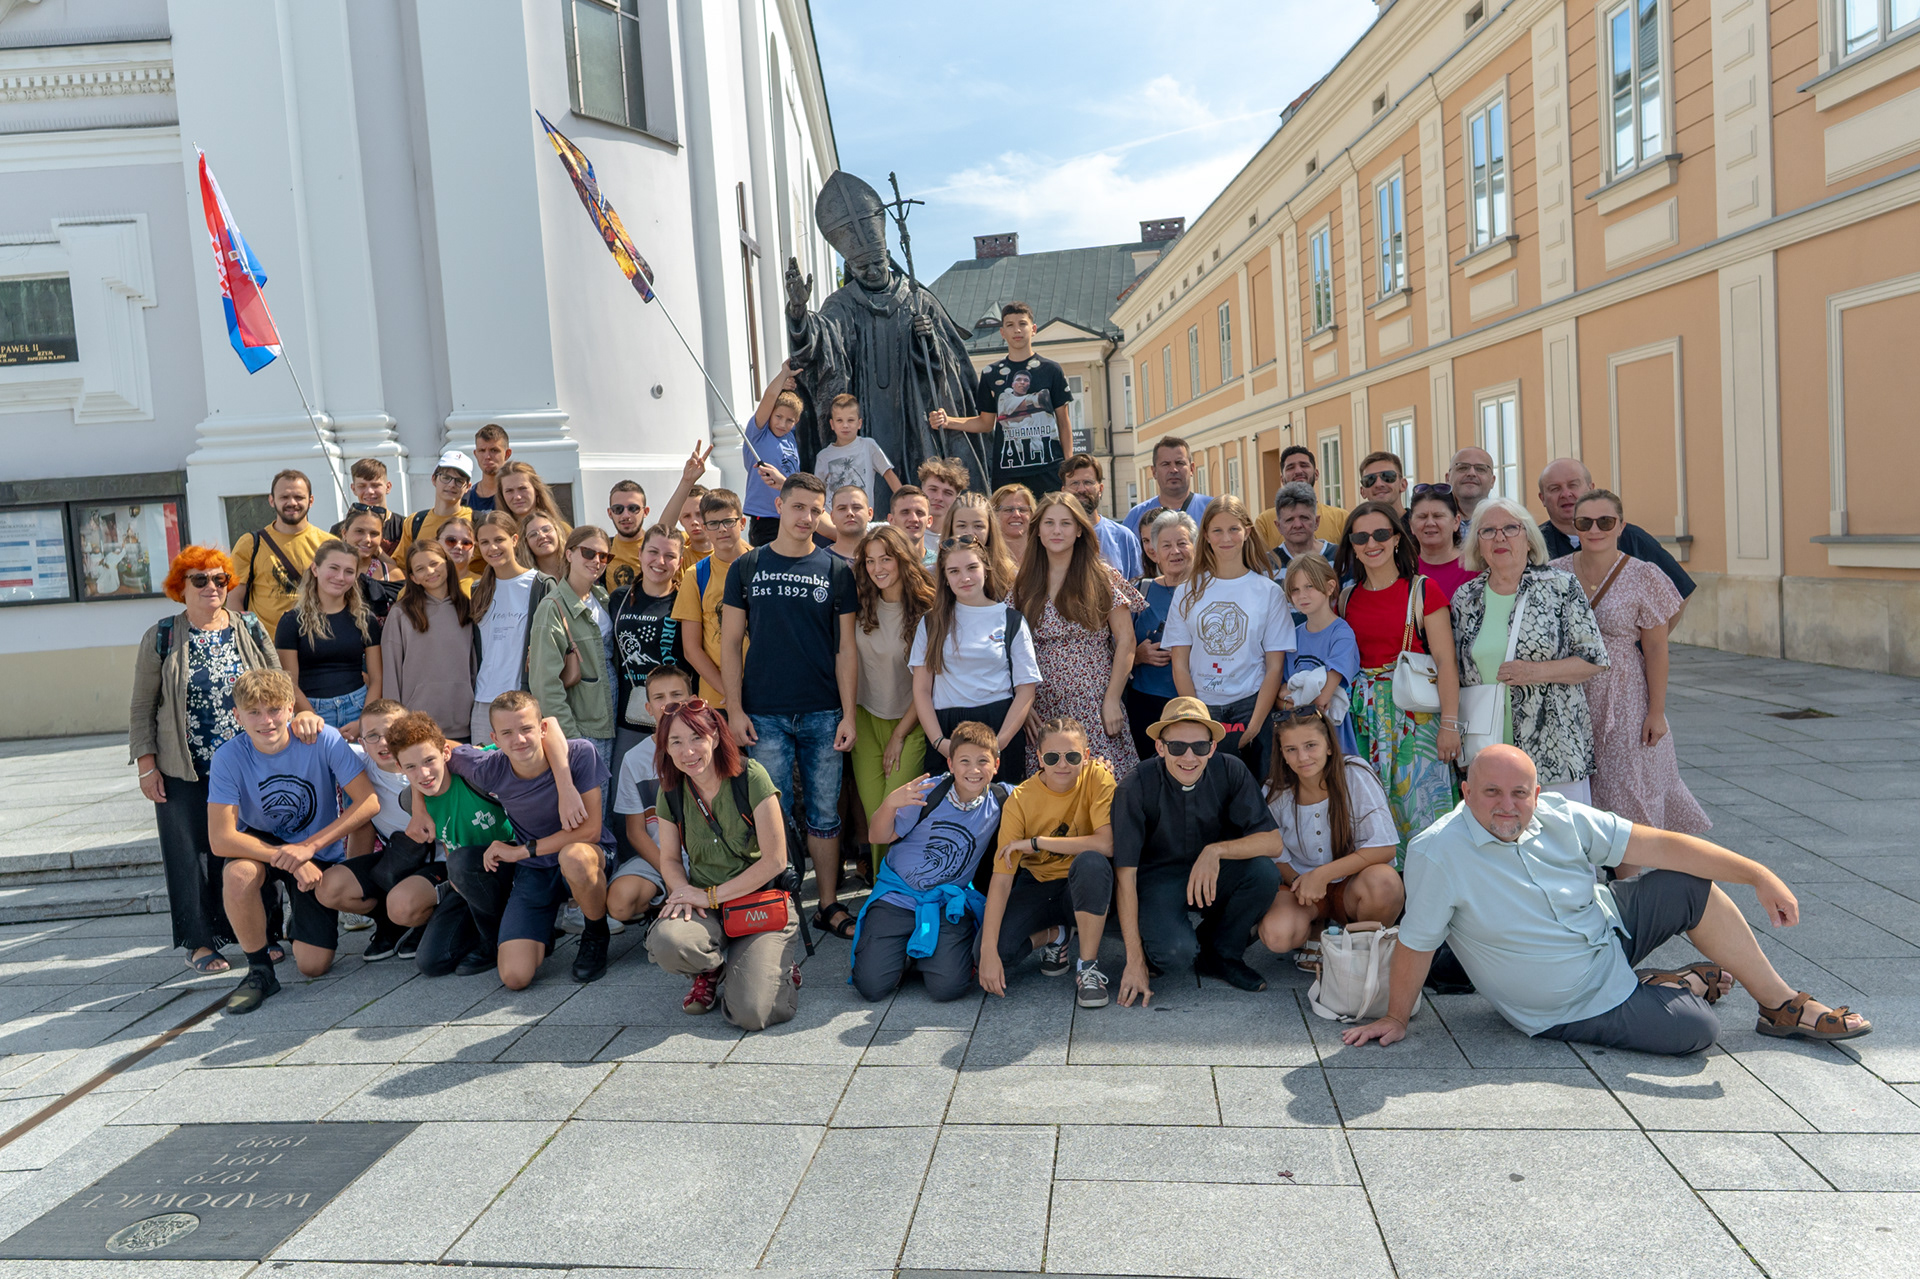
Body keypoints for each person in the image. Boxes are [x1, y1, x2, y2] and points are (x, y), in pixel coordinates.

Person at [1343, 745, 1872, 1055]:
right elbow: (1417, 942)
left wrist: (1758, 874)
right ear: (1466, 792)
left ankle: (1780, 1005)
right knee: (1697, 1031)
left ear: (1535, 793)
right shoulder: (1438, 852)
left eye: (1519, 793)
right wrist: (1398, 1017)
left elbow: (1661, 845)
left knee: (1686, 885)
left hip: (1603, 928)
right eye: (1491, 792)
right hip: (1568, 1001)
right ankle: (1672, 985)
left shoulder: (1558, 814)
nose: (1507, 806)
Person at [131, 546, 305, 975]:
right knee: (191, 853)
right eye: (200, 579)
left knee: (254, 844)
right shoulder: (162, 636)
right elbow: (142, 706)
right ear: (181, 586)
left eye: (220, 579)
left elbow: (279, 685)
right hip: (185, 766)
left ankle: (262, 933)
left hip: (249, 763)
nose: (212, 586)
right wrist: (147, 766)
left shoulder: (249, 627)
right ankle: (200, 941)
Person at [720, 472, 860, 941]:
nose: (807, 517)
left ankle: (827, 905)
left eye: (815, 510)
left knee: (824, 814)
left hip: (823, 711)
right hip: (763, 713)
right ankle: (779, 904)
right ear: (779, 506)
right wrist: (734, 711)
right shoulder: (747, 566)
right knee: (771, 814)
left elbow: (846, 649)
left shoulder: (836, 570)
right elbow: (730, 643)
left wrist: (848, 714)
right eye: (798, 506)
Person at [209, 669, 380, 1012]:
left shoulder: (322, 738)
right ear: (237, 716)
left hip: (314, 843)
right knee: (237, 875)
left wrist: (308, 849)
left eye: (274, 709)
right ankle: (259, 970)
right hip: (263, 844)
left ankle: (297, 920)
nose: (266, 721)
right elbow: (221, 838)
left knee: (313, 966)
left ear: (291, 708)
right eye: (254, 712)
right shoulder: (228, 756)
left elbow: (368, 801)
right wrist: (290, 857)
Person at [1552, 489, 1709, 836]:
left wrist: (1656, 712)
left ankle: (1631, 866)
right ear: (1575, 527)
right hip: (1569, 693)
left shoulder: (1644, 576)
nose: (1595, 529)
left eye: (1605, 521)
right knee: (1577, 790)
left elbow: (1656, 648)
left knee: (1629, 788)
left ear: (1621, 526)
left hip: (1624, 694)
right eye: (1585, 522)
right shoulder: (1554, 573)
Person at [1113, 698, 1283, 1001]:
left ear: (1213, 747)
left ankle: (1222, 954)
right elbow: (1125, 876)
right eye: (1178, 747)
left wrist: (1214, 851)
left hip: (1213, 871)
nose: (1189, 757)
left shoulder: (1231, 769)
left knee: (1264, 874)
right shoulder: (1134, 785)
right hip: (1158, 879)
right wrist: (1134, 960)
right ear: (1160, 747)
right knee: (1175, 954)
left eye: (1200, 747)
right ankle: (1159, 946)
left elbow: (1272, 842)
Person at [645, 699, 802, 1027]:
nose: (688, 751)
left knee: (751, 1013)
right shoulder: (671, 789)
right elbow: (670, 859)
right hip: (706, 906)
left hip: (758, 902)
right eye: (676, 742)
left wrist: (710, 896)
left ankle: (776, 964)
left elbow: (776, 860)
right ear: (665, 748)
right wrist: (682, 892)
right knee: (666, 941)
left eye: (696, 737)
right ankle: (711, 968)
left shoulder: (750, 776)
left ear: (715, 736)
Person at [390, 708, 578, 978]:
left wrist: (567, 787)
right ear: (399, 768)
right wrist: (419, 806)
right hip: (470, 883)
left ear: (445, 753)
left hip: (515, 867)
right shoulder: (411, 801)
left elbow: (549, 725)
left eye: (429, 760)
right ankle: (496, 932)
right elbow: (447, 832)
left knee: (461, 863)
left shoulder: (477, 770)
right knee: (431, 962)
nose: (424, 773)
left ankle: (500, 939)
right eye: (411, 767)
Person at [444, 690, 613, 987]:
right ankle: (541, 929)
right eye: (507, 733)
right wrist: (418, 808)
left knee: (573, 856)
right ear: (494, 738)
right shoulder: (490, 768)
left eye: (526, 729)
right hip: (536, 869)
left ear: (543, 728)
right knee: (514, 977)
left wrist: (523, 850)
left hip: (586, 855)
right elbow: (433, 751)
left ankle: (596, 933)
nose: (519, 739)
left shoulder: (579, 754)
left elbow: (590, 831)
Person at [1452, 496, 1608, 802]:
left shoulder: (1560, 587)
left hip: (1554, 748)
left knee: (1559, 829)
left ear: (1528, 538)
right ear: (1478, 544)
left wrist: (1533, 672)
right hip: (1487, 746)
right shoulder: (1466, 598)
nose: (1499, 538)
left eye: (1510, 528)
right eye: (1488, 531)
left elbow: (1594, 660)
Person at [1335, 501, 1462, 852]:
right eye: (1361, 537)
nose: (1371, 543)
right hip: (1363, 723)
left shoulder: (1422, 590)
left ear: (1396, 539)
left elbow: (1446, 662)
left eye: (1380, 533)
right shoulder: (1345, 599)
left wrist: (1450, 725)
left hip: (1415, 720)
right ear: (1352, 545)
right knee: (1371, 816)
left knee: (1424, 816)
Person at [850, 723, 1009, 1001]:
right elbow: (877, 837)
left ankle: (922, 953)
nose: (974, 770)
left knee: (949, 988)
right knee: (872, 987)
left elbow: (1046, 789)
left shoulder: (1000, 798)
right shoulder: (927, 793)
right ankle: (905, 950)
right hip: (897, 898)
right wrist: (890, 804)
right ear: (950, 763)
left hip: (945, 903)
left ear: (996, 765)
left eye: (983, 761)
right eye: (964, 761)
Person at [979, 717, 1116, 1008]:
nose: (1062, 765)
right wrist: (988, 951)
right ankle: (1056, 935)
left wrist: (1037, 843)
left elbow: (1106, 844)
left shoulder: (1098, 777)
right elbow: (1002, 878)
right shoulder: (1021, 799)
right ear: (1040, 758)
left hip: (1083, 885)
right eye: (1053, 757)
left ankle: (1088, 967)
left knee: (1092, 862)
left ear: (1086, 755)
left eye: (1072, 756)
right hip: (1038, 883)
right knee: (989, 953)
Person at [1254, 707, 1403, 959]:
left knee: (1385, 883)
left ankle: (1359, 946)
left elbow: (1384, 846)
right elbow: (1274, 853)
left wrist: (1322, 875)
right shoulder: (1274, 791)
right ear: (1282, 754)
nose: (1302, 757)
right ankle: (1315, 926)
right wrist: (1301, 884)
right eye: (1291, 749)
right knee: (1277, 935)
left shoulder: (1354, 774)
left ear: (1330, 746)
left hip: (1351, 884)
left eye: (1311, 745)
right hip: (1301, 888)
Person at [1163, 495, 1292, 781]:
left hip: (1252, 706)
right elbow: (1179, 663)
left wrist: (1255, 726)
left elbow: (1274, 666)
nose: (1226, 538)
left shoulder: (1269, 592)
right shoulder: (1187, 591)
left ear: (1247, 531)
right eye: (1217, 530)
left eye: (1233, 529)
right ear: (1206, 535)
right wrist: (1197, 719)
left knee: (1258, 792)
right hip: (1202, 708)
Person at [1014, 493, 1141, 779]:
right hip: (1042, 708)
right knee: (1050, 789)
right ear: (1037, 530)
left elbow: (1126, 641)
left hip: (1094, 704)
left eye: (1066, 523)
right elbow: (1011, 650)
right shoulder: (1024, 583)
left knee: (1101, 785)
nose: (1056, 531)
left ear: (1080, 530)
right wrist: (1023, 705)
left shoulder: (1101, 577)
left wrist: (1112, 699)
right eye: (1049, 523)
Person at [911, 536, 1040, 787]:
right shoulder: (931, 622)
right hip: (947, 728)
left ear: (986, 568)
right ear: (945, 578)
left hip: (999, 726)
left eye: (972, 568)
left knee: (1001, 807)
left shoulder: (1011, 620)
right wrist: (939, 742)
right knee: (946, 808)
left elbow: (1026, 689)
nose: (965, 577)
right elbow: (922, 690)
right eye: (954, 571)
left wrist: (998, 744)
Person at [851, 524, 934, 875]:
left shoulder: (928, 607)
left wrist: (900, 735)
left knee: (899, 812)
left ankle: (905, 887)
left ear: (902, 559)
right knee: (876, 814)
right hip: (866, 719)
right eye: (870, 561)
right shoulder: (859, 603)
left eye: (885, 559)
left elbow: (929, 682)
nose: (877, 568)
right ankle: (882, 890)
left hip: (912, 722)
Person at [929, 301, 1075, 497]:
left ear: (1033, 329)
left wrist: (1069, 466)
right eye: (1010, 325)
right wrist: (948, 421)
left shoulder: (1051, 370)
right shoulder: (991, 374)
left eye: (1022, 324)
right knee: (1008, 515)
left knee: (1051, 515)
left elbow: (1063, 422)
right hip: (1008, 470)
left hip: (1049, 466)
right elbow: (985, 423)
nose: (1017, 330)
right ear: (1002, 332)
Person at [338, 698, 441, 960]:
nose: (384, 742)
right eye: (373, 736)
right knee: (332, 887)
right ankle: (391, 924)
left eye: (393, 732)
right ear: (362, 743)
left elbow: (461, 749)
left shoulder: (430, 761)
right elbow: (317, 743)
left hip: (442, 859)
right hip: (399, 859)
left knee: (403, 905)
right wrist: (306, 719)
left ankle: (424, 919)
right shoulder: (360, 761)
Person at [1536, 458, 1694, 614]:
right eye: (1555, 488)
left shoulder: (1632, 538)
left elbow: (1680, 590)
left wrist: (1655, 630)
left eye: (1573, 485)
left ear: (1591, 488)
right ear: (1542, 498)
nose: (1565, 494)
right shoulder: (1532, 543)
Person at [609, 665, 695, 928]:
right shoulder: (635, 759)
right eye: (659, 697)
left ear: (692, 700)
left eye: (676, 695)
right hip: (661, 857)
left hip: (710, 854)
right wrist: (672, 875)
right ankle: (663, 904)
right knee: (619, 903)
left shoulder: (706, 746)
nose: (669, 704)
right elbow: (635, 832)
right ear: (648, 708)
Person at [528, 526, 616, 775]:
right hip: (583, 728)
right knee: (591, 798)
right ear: (569, 554)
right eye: (588, 552)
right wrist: (571, 737)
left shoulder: (603, 598)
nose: (596, 561)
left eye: (604, 556)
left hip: (610, 721)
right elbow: (545, 685)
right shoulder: (552, 608)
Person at [275, 539, 382, 738]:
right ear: (315, 569)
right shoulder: (291, 622)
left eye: (349, 571)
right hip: (311, 714)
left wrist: (364, 721)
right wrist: (313, 719)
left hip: (358, 709)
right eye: (333, 568)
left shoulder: (366, 620)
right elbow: (289, 683)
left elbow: (376, 678)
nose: (340, 577)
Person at [379, 541, 475, 742]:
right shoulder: (401, 613)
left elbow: (474, 664)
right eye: (420, 569)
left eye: (434, 563)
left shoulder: (467, 609)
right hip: (417, 726)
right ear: (413, 577)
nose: (430, 571)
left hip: (463, 723)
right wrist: (394, 720)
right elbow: (391, 671)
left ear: (447, 564)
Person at [468, 511, 549, 745]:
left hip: (524, 701)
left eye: (499, 539)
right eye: (485, 542)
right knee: (484, 766)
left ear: (514, 540)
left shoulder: (539, 584)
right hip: (484, 701)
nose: (492, 547)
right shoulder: (477, 589)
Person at [608, 523, 686, 762]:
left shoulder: (685, 600)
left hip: (677, 718)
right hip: (629, 717)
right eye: (653, 552)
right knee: (626, 783)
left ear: (680, 562)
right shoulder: (619, 598)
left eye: (670, 556)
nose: (660, 561)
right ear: (640, 554)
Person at [1123, 509, 1194, 760]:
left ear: (1195, 546)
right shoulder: (1139, 591)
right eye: (1166, 545)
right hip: (1147, 703)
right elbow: (1112, 649)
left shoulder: (1210, 591)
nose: (1175, 551)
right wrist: (1137, 656)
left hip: (1195, 701)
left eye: (1182, 543)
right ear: (1154, 551)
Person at [1280, 554, 1361, 757]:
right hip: (1299, 739)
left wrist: (1297, 698)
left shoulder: (1342, 633)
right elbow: (1280, 693)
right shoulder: (1293, 637)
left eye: (1309, 586)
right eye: (1295, 590)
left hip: (1334, 736)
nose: (1302, 595)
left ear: (1330, 587)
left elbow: (1323, 697)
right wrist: (1297, 697)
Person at [231, 469, 329, 634]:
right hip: (266, 643)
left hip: (316, 639)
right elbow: (234, 598)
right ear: (271, 500)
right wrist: (247, 638)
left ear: (311, 500)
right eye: (284, 497)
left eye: (299, 497)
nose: (292, 502)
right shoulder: (250, 544)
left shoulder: (328, 545)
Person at [674, 488, 746, 705]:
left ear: (742, 523)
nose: (722, 529)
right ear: (705, 528)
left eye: (729, 521)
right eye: (713, 523)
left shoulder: (764, 566)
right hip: (718, 698)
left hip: (765, 692)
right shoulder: (696, 575)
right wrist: (731, 693)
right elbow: (691, 649)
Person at [603, 445, 708, 591]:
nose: (626, 515)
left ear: (645, 511)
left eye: (633, 508)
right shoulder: (602, 550)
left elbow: (665, 529)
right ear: (610, 513)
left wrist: (687, 481)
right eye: (618, 509)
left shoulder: (669, 540)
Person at [744, 364, 804, 546]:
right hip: (765, 518)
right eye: (778, 417)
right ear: (770, 414)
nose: (782, 424)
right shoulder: (758, 434)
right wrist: (784, 373)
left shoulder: (790, 438)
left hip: (789, 515)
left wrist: (786, 388)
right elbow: (769, 398)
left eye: (789, 420)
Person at [1062, 453, 1144, 579]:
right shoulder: (1054, 537)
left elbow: (1136, 588)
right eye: (1074, 483)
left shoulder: (1124, 538)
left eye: (1088, 482)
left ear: (1100, 489)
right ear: (1063, 491)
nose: (1082, 489)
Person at [815, 393, 902, 504]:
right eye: (839, 420)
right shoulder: (823, 456)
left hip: (862, 511)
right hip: (833, 513)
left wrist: (904, 502)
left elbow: (889, 475)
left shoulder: (868, 446)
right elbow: (817, 492)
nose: (845, 425)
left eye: (850, 420)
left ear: (859, 423)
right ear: (832, 424)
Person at [1255, 445, 1349, 547]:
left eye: (1304, 465)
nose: (1298, 471)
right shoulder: (1265, 521)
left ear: (1316, 474)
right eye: (1290, 467)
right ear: (1282, 479)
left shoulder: (1341, 518)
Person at [394, 452, 475, 565]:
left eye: (459, 481)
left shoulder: (476, 521)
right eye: (446, 477)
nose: (452, 484)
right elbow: (400, 565)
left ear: (468, 487)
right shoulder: (415, 522)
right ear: (434, 479)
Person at [1121, 436, 1211, 538]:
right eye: (1166, 464)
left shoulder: (1212, 510)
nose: (1173, 470)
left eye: (1179, 463)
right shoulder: (1136, 517)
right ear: (1154, 472)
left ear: (1191, 468)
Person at [940, 490, 1018, 585]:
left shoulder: (1011, 577)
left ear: (990, 529)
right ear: (951, 528)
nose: (970, 533)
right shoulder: (933, 575)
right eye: (962, 526)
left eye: (978, 526)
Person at [1409, 483, 1474, 595]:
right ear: (1411, 525)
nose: (1430, 523)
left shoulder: (1475, 569)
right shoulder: (1402, 570)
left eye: (1438, 516)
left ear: (1456, 522)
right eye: (1422, 517)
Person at [340, 507, 404, 620]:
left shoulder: (392, 574)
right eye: (359, 531)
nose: (367, 539)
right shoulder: (330, 573)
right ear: (344, 533)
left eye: (374, 533)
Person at [1263, 482, 1336, 577]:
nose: (1297, 525)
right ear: (1278, 526)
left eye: (1304, 518)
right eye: (1289, 520)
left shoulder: (1339, 557)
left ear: (1317, 522)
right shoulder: (1267, 564)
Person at [330, 458, 403, 551]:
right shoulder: (339, 530)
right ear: (353, 489)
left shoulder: (405, 526)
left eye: (375, 485)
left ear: (388, 487)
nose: (369, 491)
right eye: (362, 486)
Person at [916, 457, 970, 563]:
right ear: (921, 489)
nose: (939, 497)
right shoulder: (904, 530)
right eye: (933, 489)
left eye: (947, 493)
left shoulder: (961, 538)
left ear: (957, 498)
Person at [498, 462, 569, 532]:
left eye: (523, 488)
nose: (517, 497)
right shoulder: (498, 533)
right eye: (509, 491)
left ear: (536, 489)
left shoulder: (561, 530)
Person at [465, 423, 510, 514]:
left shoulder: (516, 497)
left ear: (507, 454)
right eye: (482, 451)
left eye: (494, 450)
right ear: (475, 454)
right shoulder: (465, 499)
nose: (487, 456)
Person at [886, 485, 935, 568]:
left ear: (929, 521)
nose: (913, 519)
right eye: (905, 512)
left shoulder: (940, 565)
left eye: (919, 513)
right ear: (891, 520)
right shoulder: (881, 565)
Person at [991, 483, 1035, 573]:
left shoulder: (1044, 555)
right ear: (994, 515)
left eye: (1022, 510)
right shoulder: (987, 560)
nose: (1016, 515)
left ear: (1032, 514)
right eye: (1008, 510)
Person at [1447, 447, 1496, 524]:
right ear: (1447, 478)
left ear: (1492, 481)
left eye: (1480, 469)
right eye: (1462, 468)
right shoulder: (1430, 523)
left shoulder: (1509, 522)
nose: (1471, 473)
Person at [826, 485, 874, 562]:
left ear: (870, 514)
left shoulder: (888, 558)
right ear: (832, 517)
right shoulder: (819, 561)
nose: (850, 513)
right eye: (842, 508)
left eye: (856, 507)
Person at [520, 509, 571, 580]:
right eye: (533, 534)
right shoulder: (526, 580)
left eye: (546, 530)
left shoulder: (576, 568)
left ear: (557, 531)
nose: (542, 536)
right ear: (526, 543)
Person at [436, 516, 479, 584]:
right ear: (437, 543)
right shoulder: (424, 582)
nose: (458, 546)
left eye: (466, 543)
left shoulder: (482, 584)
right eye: (451, 540)